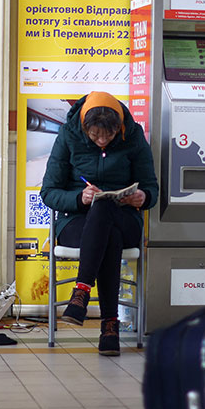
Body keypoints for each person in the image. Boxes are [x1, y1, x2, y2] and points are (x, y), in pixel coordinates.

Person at [40, 91, 158, 356]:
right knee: (108, 236)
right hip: (76, 222)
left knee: (105, 210)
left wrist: (143, 197)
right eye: (95, 136)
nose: (102, 141)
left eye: (109, 136)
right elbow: (49, 192)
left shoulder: (134, 137)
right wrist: (79, 198)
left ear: (120, 128)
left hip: (125, 218)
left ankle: (81, 292)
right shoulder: (68, 136)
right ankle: (109, 327)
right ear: (85, 128)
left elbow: (152, 188)